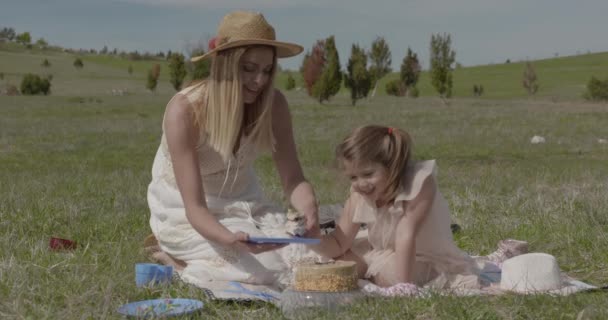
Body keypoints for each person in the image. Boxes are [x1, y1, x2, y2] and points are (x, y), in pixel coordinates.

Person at [146, 11, 320, 288]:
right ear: (226, 65)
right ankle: (173, 258)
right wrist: (228, 238)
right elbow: (195, 208)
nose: (259, 81)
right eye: (248, 69)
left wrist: (308, 204)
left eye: (266, 70)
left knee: (309, 258)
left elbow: (293, 179)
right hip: (188, 214)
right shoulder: (185, 111)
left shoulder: (274, 105)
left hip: (245, 205)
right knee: (262, 273)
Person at [311, 125, 482, 290]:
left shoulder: (418, 182)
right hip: (382, 251)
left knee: (389, 275)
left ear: (392, 167)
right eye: (353, 177)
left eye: (368, 174)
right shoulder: (359, 194)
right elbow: (340, 242)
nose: (360, 184)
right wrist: (312, 236)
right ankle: (366, 272)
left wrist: (403, 286)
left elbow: (405, 234)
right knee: (334, 261)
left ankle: (374, 276)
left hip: (421, 257)